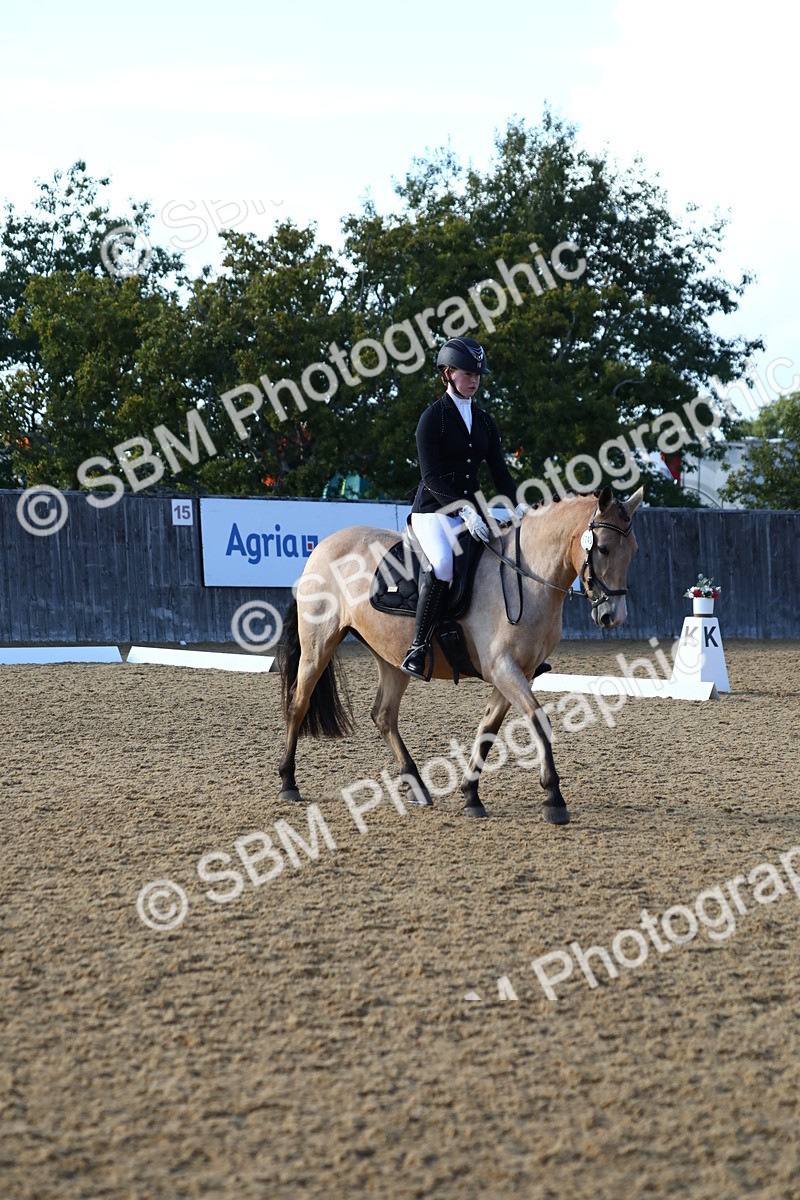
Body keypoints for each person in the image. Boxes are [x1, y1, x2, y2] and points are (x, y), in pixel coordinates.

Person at [401, 336, 530, 679]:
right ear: (447, 372)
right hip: (433, 512)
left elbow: (500, 474)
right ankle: (418, 646)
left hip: (474, 510)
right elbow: (430, 477)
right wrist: (463, 510)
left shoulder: (485, 422)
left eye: (478, 373)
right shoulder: (433, 419)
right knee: (443, 564)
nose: (475, 378)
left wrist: (520, 508)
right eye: (467, 372)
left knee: (507, 554)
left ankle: (519, 643)